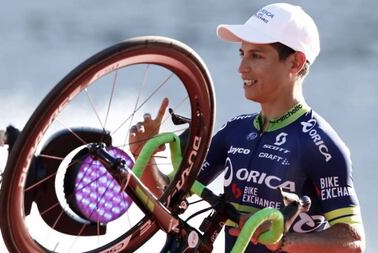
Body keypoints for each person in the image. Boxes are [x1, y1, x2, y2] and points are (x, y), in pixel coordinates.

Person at [129, 3, 365, 252]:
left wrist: (282, 242)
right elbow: (168, 200)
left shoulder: (319, 144)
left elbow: (354, 241)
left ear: (295, 62)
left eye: (256, 56)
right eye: (242, 54)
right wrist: (144, 155)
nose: (242, 68)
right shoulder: (234, 131)